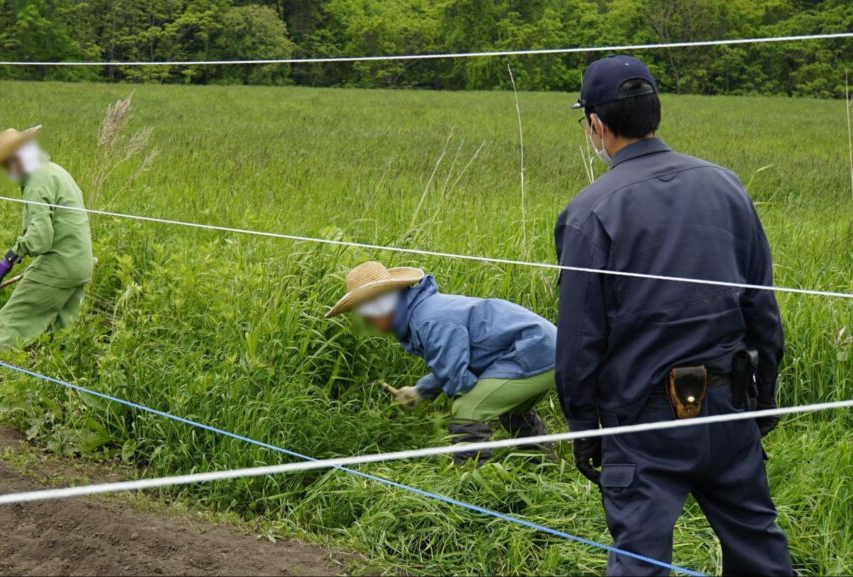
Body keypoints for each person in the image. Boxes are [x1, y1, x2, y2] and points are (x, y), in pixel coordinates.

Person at [555, 55, 791, 575]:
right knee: (760, 551)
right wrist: (762, 400)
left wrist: (582, 427)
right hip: (729, 406)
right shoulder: (726, 186)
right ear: (655, 113)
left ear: (596, 125)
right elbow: (762, 308)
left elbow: (578, 340)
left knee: (640, 562)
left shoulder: (589, 211)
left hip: (642, 423)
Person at [326, 261, 557, 464]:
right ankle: (541, 466)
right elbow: (454, 365)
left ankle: (474, 486)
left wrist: (441, 399)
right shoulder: (423, 313)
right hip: (544, 347)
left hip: (534, 351)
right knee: (509, 408)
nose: (367, 321)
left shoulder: (428, 321)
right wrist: (419, 391)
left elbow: (459, 381)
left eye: (367, 313)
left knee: (467, 408)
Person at [0, 126, 94, 353]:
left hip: (60, 264)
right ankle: (62, 385)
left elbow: (41, 237)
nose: (7, 171)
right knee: (63, 336)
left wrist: (10, 257)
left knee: (12, 321)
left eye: (6, 164)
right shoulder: (55, 171)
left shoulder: (36, 181)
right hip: (81, 264)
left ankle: (4, 378)